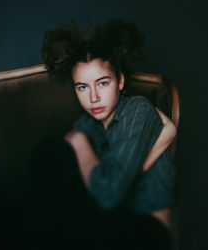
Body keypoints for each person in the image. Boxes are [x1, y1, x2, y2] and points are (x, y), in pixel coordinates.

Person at [37, 19, 176, 249]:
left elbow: (109, 194)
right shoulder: (86, 125)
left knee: (55, 151)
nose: (93, 97)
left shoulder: (138, 109)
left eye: (102, 83)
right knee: (48, 154)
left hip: (146, 230)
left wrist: (79, 142)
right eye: (82, 87)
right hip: (107, 220)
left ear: (120, 81)